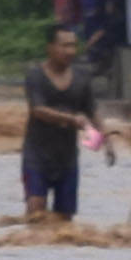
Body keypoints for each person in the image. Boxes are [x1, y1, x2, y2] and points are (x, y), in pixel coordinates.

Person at [21, 24, 92, 221]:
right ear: (50, 47)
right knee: (35, 210)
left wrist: (107, 139)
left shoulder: (82, 77)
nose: (70, 51)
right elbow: (38, 110)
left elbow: (91, 111)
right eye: (64, 46)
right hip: (36, 156)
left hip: (67, 158)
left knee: (64, 220)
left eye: (73, 46)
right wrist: (70, 119)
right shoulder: (35, 76)